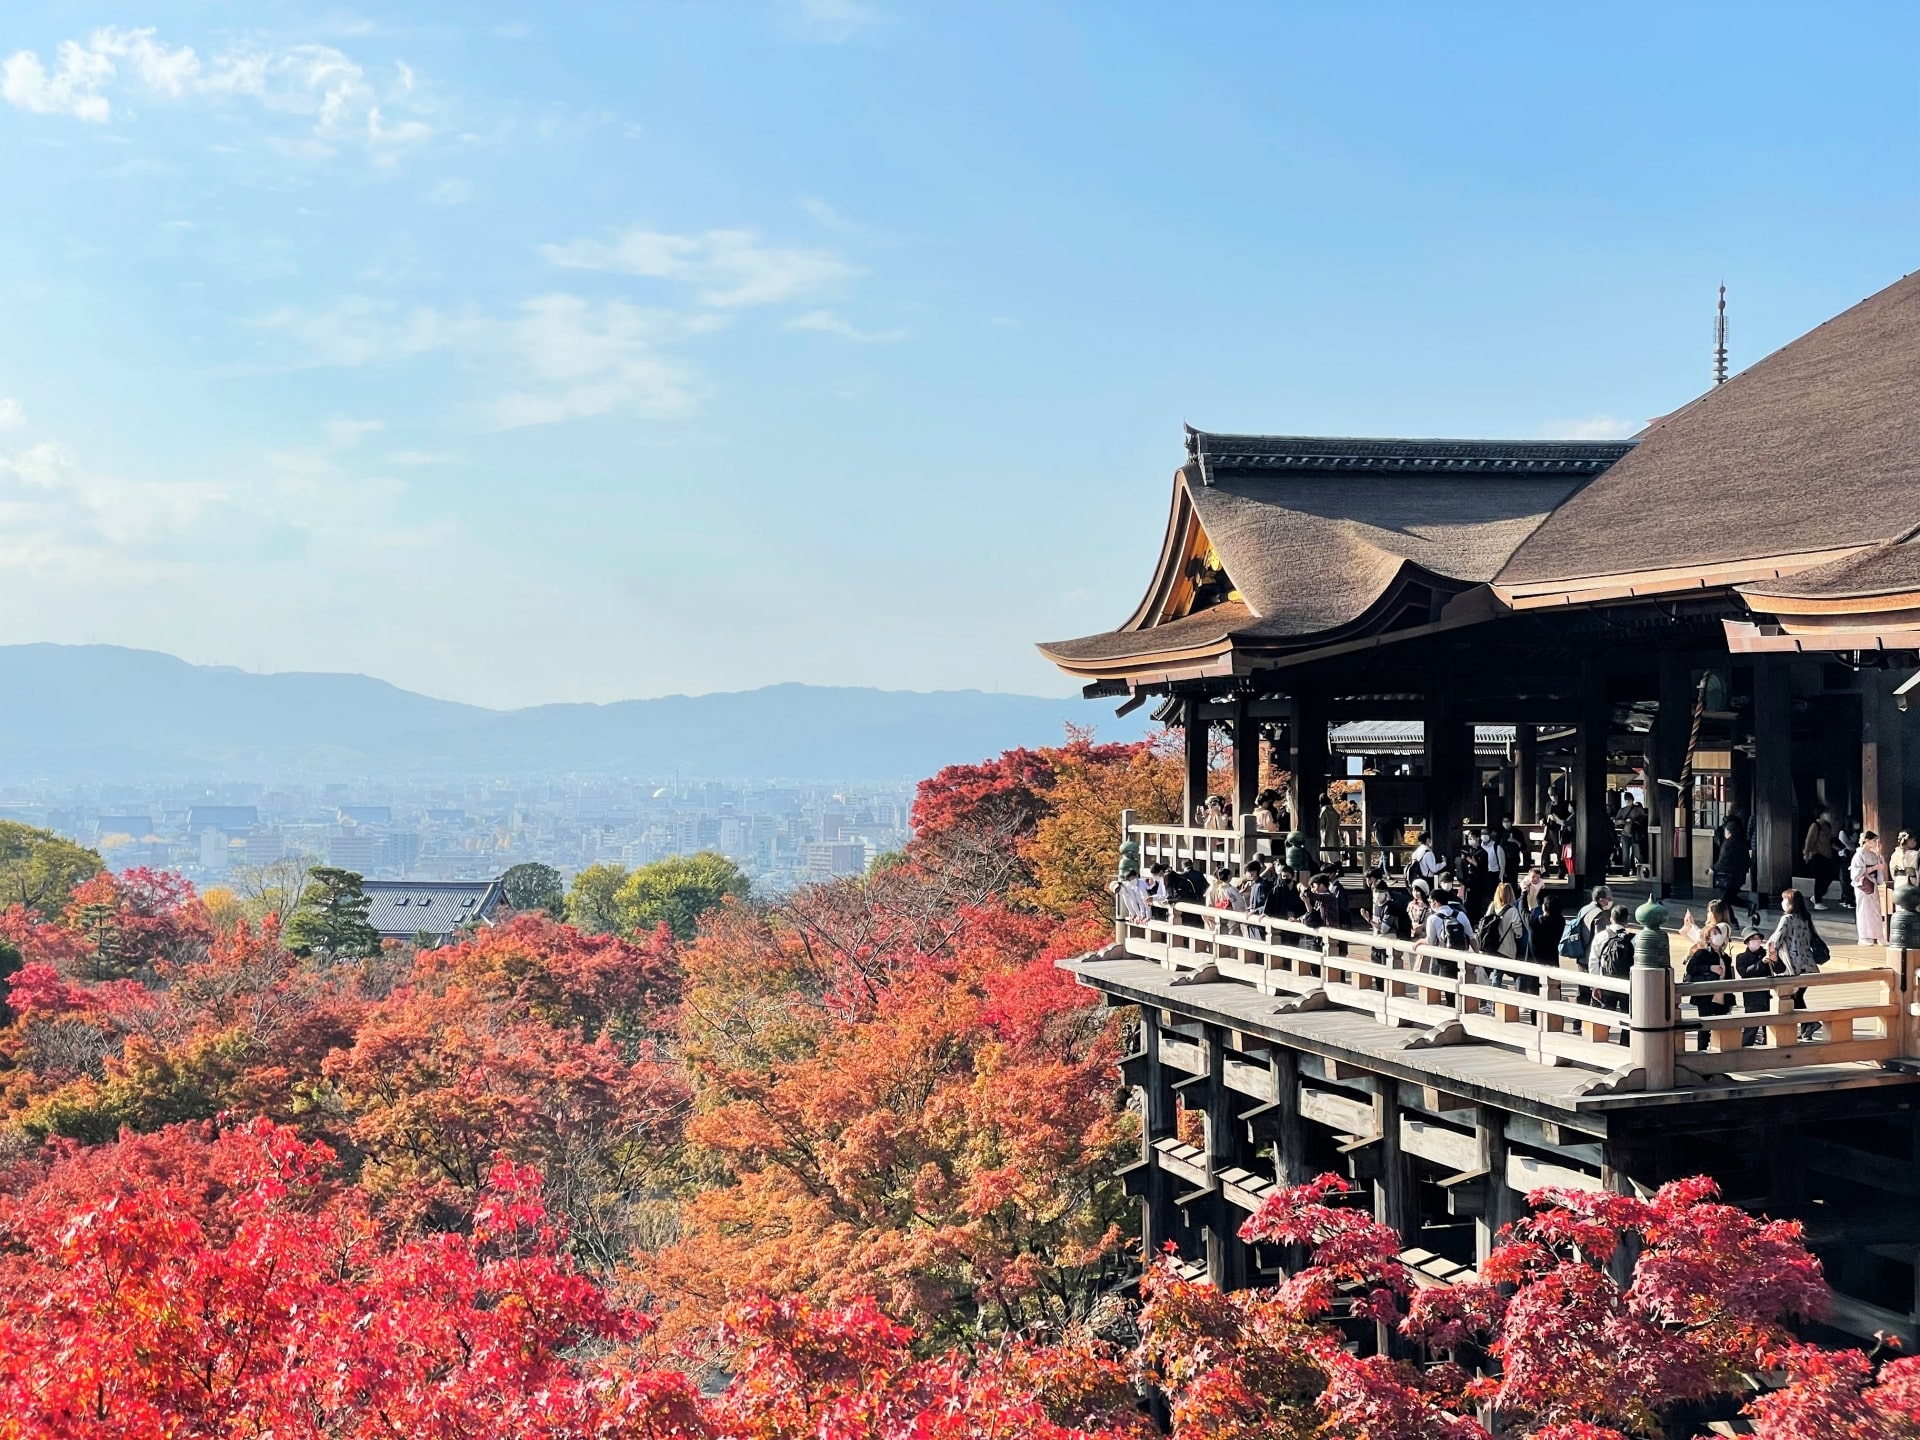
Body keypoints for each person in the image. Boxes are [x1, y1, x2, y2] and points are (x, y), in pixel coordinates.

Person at [1767, 888, 1823, 1041]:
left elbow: (1776, 940)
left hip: (1793, 965)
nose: (1782, 903)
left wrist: (1768, 953)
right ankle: (1807, 1028)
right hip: (1808, 963)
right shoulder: (1805, 917)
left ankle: (1810, 1023)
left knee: (1794, 997)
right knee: (1798, 996)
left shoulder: (1787, 919)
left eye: (1784, 899)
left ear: (1790, 902)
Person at [1682, 922, 1735, 1050]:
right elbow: (1691, 968)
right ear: (1708, 938)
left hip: (1722, 994)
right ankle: (1702, 1051)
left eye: (1719, 933)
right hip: (1706, 995)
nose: (1718, 936)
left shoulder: (1725, 957)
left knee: (1720, 1026)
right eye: (1714, 933)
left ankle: (1718, 1052)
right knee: (1704, 1026)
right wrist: (1710, 968)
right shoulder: (1702, 953)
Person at [1586, 903, 1636, 1013]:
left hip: (1607, 981)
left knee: (1607, 1013)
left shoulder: (1601, 936)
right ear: (1627, 919)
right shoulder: (1634, 939)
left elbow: (1593, 962)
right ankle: (1625, 1031)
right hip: (1627, 983)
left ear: (1611, 919)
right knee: (1628, 1014)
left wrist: (1595, 985)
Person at [1734, 927, 1778, 1046]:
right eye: (1753, 939)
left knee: (1770, 1028)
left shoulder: (1766, 953)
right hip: (1752, 997)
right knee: (1751, 1027)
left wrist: (1775, 959)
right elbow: (1745, 973)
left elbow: (1780, 969)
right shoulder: (1741, 958)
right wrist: (1761, 963)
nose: (1756, 941)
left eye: (1758, 939)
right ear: (1747, 942)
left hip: (1768, 995)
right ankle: (1745, 1051)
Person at [1424, 888, 1471, 978]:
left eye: (1430, 902)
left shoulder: (1433, 918)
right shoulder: (1461, 915)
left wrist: (1418, 943)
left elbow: (1430, 941)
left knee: (1443, 985)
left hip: (1443, 958)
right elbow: (1471, 937)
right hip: (1460, 956)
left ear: (1435, 902)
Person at [1712, 813, 1750, 924]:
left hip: (1728, 877)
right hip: (1737, 877)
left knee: (1724, 900)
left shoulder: (1728, 844)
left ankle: (1732, 922)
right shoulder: (1741, 843)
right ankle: (1747, 907)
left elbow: (1723, 861)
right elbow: (1747, 862)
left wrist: (1713, 869)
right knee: (1728, 898)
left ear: (1728, 831)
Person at [1851, 831, 1888, 945]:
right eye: (1874, 840)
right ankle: (1864, 936)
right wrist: (1875, 867)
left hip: (1873, 882)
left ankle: (1878, 935)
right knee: (1864, 910)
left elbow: (1881, 868)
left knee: (1875, 910)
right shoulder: (1859, 855)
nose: (1876, 843)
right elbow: (1857, 872)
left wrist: (1879, 856)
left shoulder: (1873, 854)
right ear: (1866, 841)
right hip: (1863, 884)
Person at [1803, 806, 1839, 910]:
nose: (1828, 815)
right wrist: (1806, 853)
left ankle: (1817, 896)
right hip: (1817, 855)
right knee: (1820, 878)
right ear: (1821, 814)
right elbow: (1809, 840)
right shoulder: (1815, 826)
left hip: (1827, 855)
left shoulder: (1827, 826)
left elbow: (1830, 840)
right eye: (1826, 813)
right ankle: (1818, 901)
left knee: (1830, 875)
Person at [1318, 793, 1344, 870]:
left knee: (1327, 853)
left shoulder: (1324, 810)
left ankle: (1339, 870)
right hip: (1334, 833)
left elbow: (1321, 825)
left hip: (1326, 834)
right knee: (1333, 853)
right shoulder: (1333, 810)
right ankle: (1335, 869)